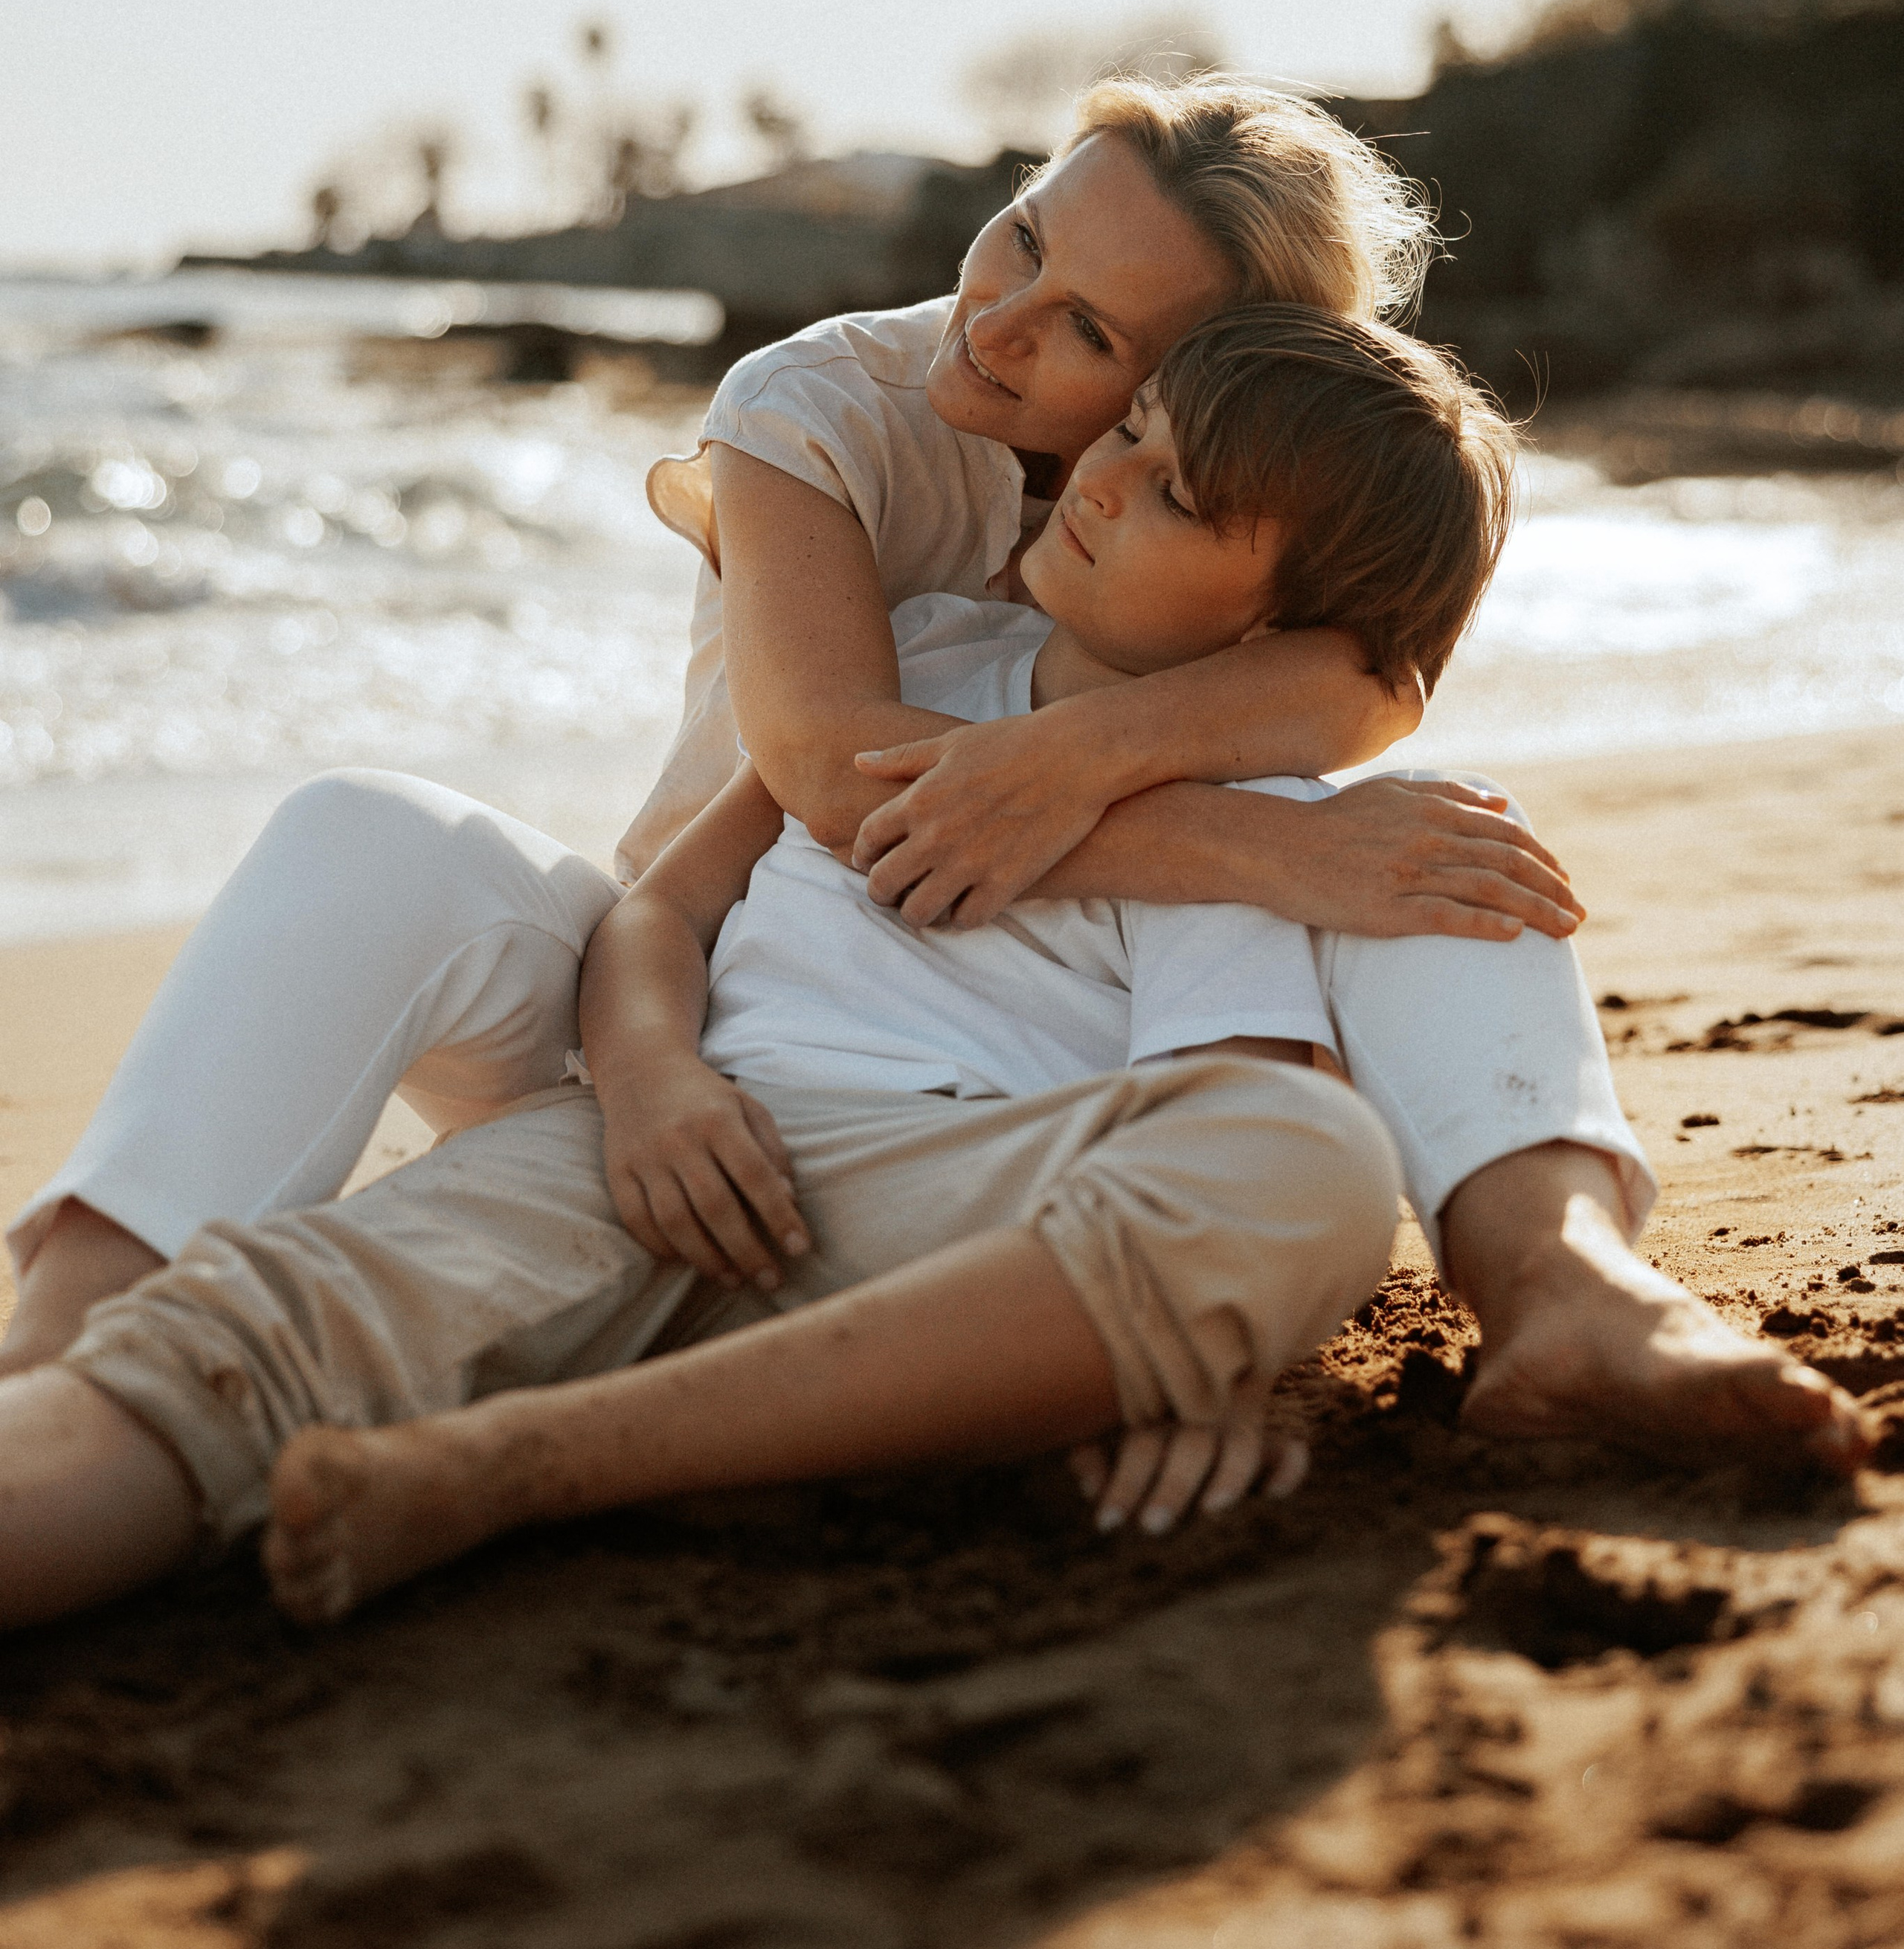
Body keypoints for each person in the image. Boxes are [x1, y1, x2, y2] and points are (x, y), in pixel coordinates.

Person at [0, 78, 1830, 1483]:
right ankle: (63, 1344)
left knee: (1434, 845)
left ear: (1209, 384)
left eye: (1100, 340)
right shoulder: (827, 400)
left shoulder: (1184, 486)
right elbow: (826, 762)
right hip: (665, 997)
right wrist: (1247, 833)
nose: (1004, 322)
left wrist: (1207, 792)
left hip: (983, 1096)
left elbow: (1367, 676)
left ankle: (1567, 1284)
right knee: (362, 834)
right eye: (1026, 234)